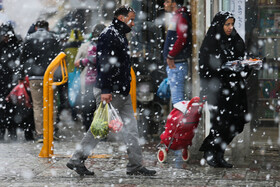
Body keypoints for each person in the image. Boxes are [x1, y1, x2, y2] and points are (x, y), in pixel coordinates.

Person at [66, 5, 156, 176]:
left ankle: (135, 166)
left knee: (131, 129)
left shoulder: (120, 35)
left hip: (122, 91)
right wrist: (106, 89)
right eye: (131, 19)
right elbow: (104, 64)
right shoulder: (109, 35)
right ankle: (77, 159)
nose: (133, 23)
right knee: (99, 129)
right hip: (110, 92)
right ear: (121, 18)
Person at [199, 11, 249, 168]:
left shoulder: (235, 40)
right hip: (218, 89)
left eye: (232, 24)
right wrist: (224, 69)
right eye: (227, 24)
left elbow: (243, 59)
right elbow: (206, 68)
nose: (230, 27)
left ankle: (218, 151)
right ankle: (212, 152)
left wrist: (246, 65)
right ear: (219, 25)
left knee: (237, 121)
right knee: (221, 123)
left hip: (235, 88)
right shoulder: (211, 42)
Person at [19, 20, 61, 143]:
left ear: (36, 27)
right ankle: (51, 132)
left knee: (37, 105)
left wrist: (22, 75)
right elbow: (59, 56)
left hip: (34, 76)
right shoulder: (54, 38)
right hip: (50, 76)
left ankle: (40, 134)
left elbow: (23, 58)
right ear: (48, 28)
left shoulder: (29, 38)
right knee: (51, 104)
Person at [74, 24, 106, 131]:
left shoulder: (88, 45)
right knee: (100, 106)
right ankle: (97, 129)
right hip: (101, 80)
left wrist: (83, 61)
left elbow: (80, 61)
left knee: (91, 105)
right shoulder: (107, 45)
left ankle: (90, 127)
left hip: (91, 80)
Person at [163, 0, 192, 105]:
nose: (164, 4)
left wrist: (171, 55)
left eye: (167, 1)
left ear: (174, 3)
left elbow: (181, 39)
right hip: (176, 64)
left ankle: (180, 121)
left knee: (178, 101)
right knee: (178, 99)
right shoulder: (178, 16)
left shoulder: (180, 17)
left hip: (177, 64)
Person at [0, 22, 22, 140]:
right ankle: (3, 130)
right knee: (4, 107)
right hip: (4, 80)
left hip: (11, 81)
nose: (6, 38)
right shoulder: (13, 46)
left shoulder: (15, 46)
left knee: (11, 107)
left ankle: (11, 131)